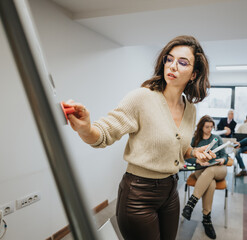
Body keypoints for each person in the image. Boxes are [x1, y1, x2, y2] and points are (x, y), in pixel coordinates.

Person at [63, 35, 216, 240]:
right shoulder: (142, 98)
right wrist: (86, 129)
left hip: (171, 191)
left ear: (193, 74)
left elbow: (181, 148)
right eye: (169, 59)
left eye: (182, 62)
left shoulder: (190, 110)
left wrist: (194, 152)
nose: (172, 66)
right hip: (138, 194)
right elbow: (105, 133)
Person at [182, 115, 228, 239]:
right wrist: (198, 161)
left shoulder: (217, 138)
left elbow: (225, 155)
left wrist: (222, 159)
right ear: (201, 127)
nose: (209, 129)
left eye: (211, 127)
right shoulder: (195, 140)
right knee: (210, 183)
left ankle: (191, 203)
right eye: (207, 127)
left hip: (218, 169)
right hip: (201, 169)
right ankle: (206, 218)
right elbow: (187, 156)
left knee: (211, 171)